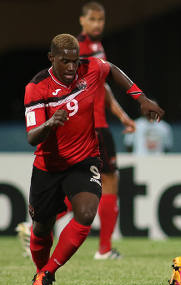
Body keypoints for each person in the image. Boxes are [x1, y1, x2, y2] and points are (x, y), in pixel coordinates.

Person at [24, 33, 164, 285]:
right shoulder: (37, 87)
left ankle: (47, 272)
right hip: (48, 166)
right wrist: (50, 123)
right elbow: (32, 137)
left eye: (75, 61)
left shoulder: (90, 69)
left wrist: (141, 99)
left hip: (84, 159)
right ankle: (39, 274)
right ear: (51, 58)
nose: (71, 67)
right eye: (64, 61)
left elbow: (111, 69)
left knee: (87, 213)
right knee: (42, 228)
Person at [78, 1, 136, 259]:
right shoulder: (79, 49)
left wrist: (121, 114)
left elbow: (103, 86)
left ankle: (35, 222)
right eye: (92, 19)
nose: (97, 24)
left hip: (99, 124)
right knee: (108, 183)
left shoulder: (97, 48)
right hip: (94, 127)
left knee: (83, 184)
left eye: (101, 20)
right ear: (82, 21)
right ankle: (104, 249)